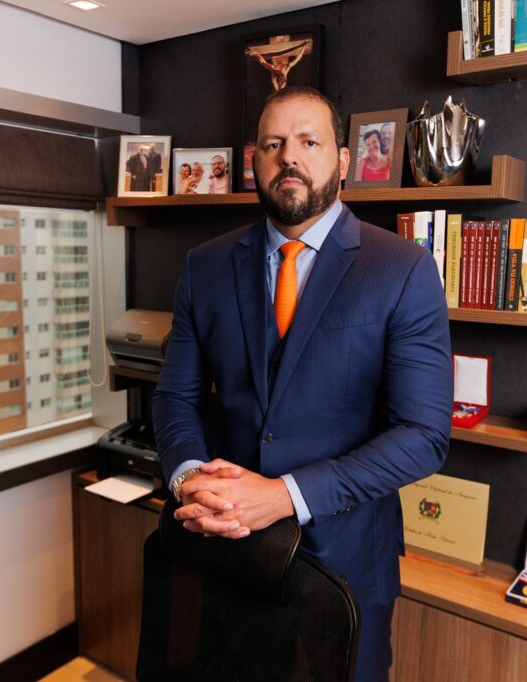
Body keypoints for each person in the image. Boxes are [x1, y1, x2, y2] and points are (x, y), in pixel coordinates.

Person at [152, 86, 452, 681]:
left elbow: (423, 435)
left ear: (342, 160)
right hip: (228, 548)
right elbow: (175, 398)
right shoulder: (204, 266)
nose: (289, 156)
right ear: (255, 163)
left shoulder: (403, 268)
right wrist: (190, 481)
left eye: (309, 142)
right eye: (273, 144)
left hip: (346, 563)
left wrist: (284, 496)